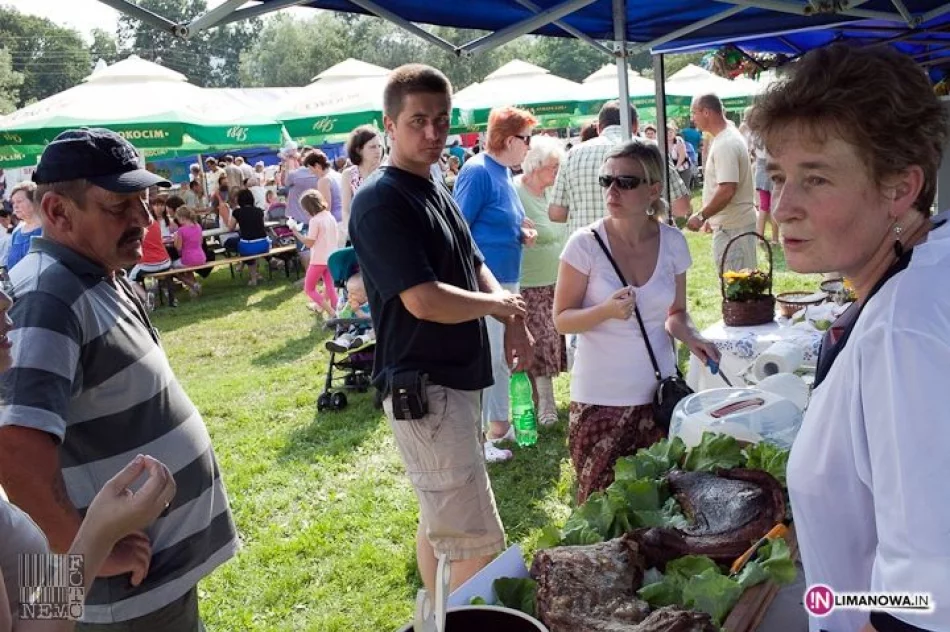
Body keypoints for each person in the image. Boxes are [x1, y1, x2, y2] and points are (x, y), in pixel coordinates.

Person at [0, 128, 237, 630]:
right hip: (117, 598)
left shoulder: (96, 272)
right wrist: (94, 553)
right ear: (59, 212)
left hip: (145, 580)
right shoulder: (48, 297)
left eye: (145, 201)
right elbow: (15, 453)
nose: (145, 219)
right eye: (120, 206)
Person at [751, 44, 950, 632]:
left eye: (816, 178)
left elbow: (927, 596)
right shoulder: (924, 273)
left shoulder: (902, 329)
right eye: (780, 177)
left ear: (900, 187)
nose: (784, 208)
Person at [348, 63, 532, 597]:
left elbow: (474, 262)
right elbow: (424, 301)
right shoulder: (381, 199)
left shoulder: (435, 185)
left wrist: (509, 310)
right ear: (389, 123)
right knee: (474, 542)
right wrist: (500, 308)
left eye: (441, 120)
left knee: (442, 522)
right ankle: (469, 617)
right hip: (425, 387)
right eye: (417, 121)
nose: (432, 134)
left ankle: (439, 617)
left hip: (451, 383)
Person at [553, 139, 718, 504]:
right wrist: (605, 312)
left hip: (657, 397)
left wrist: (693, 338)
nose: (612, 190)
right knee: (601, 509)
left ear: (653, 190)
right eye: (606, 180)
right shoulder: (585, 245)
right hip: (600, 399)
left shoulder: (673, 242)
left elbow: (675, 314)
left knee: (657, 507)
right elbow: (562, 320)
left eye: (625, 182)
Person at [453, 105, 538, 462]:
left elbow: (504, 219)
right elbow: (458, 230)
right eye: (526, 139)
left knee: (504, 357)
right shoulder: (477, 172)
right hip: (485, 285)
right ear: (506, 140)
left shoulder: (502, 172)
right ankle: (481, 439)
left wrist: (522, 229)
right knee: (488, 358)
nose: (530, 147)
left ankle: (500, 425)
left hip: (507, 280)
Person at [549, 100, 692, 234]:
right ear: (635, 125)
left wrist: (583, 211)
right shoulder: (651, 151)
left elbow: (556, 213)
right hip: (639, 245)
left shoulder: (573, 154)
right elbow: (681, 207)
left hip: (586, 250)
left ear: (599, 127)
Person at [515, 134, 567, 428]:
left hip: (555, 280)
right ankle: (545, 403)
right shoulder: (516, 193)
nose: (557, 172)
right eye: (552, 167)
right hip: (528, 282)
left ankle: (542, 400)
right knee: (540, 340)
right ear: (534, 166)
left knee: (551, 339)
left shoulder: (552, 193)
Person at [686, 94, 757, 273]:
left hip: (734, 228)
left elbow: (727, 189)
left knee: (738, 289)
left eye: (694, 113)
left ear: (707, 112)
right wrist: (712, 217)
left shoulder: (726, 143)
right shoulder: (726, 137)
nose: (692, 118)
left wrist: (701, 216)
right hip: (731, 225)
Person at [290, 189, 338, 318]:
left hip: (318, 260)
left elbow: (309, 243)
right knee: (330, 287)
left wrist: (296, 233)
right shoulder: (329, 216)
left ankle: (332, 312)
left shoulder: (315, 220)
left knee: (309, 289)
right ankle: (336, 311)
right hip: (331, 257)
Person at [340, 125, 384, 238]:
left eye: (379, 146)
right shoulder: (349, 175)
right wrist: (351, 232)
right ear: (358, 150)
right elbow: (346, 209)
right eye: (372, 147)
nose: (378, 150)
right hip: (361, 234)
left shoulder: (387, 170)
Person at [228, 188, 270, 286]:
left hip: (248, 246)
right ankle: (254, 270)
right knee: (248, 245)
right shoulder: (259, 211)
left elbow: (230, 227)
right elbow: (261, 226)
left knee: (239, 246)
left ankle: (253, 277)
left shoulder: (237, 212)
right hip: (264, 245)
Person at [7, 182, 42, 271]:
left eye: (19, 201)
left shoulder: (47, 230)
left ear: (34, 201)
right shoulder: (16, 232)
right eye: (13, 202)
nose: (15, 206)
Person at [172, 206, 206, 296]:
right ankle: (194, 290)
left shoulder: (181, 230)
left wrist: (176, 239)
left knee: (172, 268)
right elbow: (201, 241)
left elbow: (178, 247)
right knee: (187, 268)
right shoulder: (198, 226)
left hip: (188, 259)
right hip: (201, 257)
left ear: (182, 218)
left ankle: (193, 284)